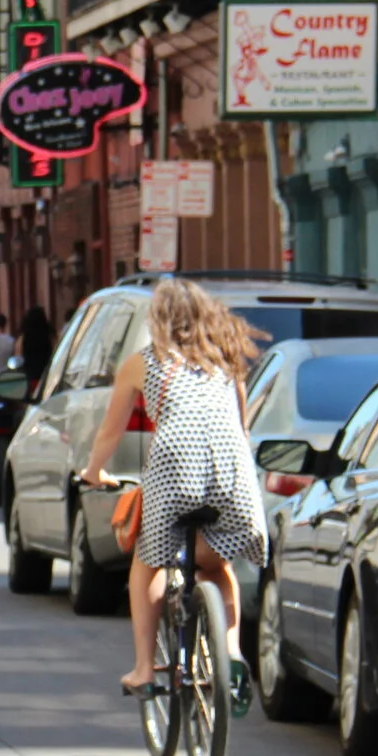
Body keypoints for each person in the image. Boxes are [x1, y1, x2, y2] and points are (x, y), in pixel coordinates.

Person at [80, 278, 265, 700]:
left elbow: (111, 432)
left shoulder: (144, 362)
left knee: (147, 562)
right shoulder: (226, 358)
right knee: (217, 566)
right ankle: (232, 653)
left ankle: (145, 669)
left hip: (174, 466)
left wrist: (93, 471)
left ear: (159, 321)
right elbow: (241, 422)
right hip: (230, 466)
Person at [17, 304, 56, 389]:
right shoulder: (49, 335)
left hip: (29, 375)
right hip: (47, 373)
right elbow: (56, 351)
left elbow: (18, 356)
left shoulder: (24, 337)